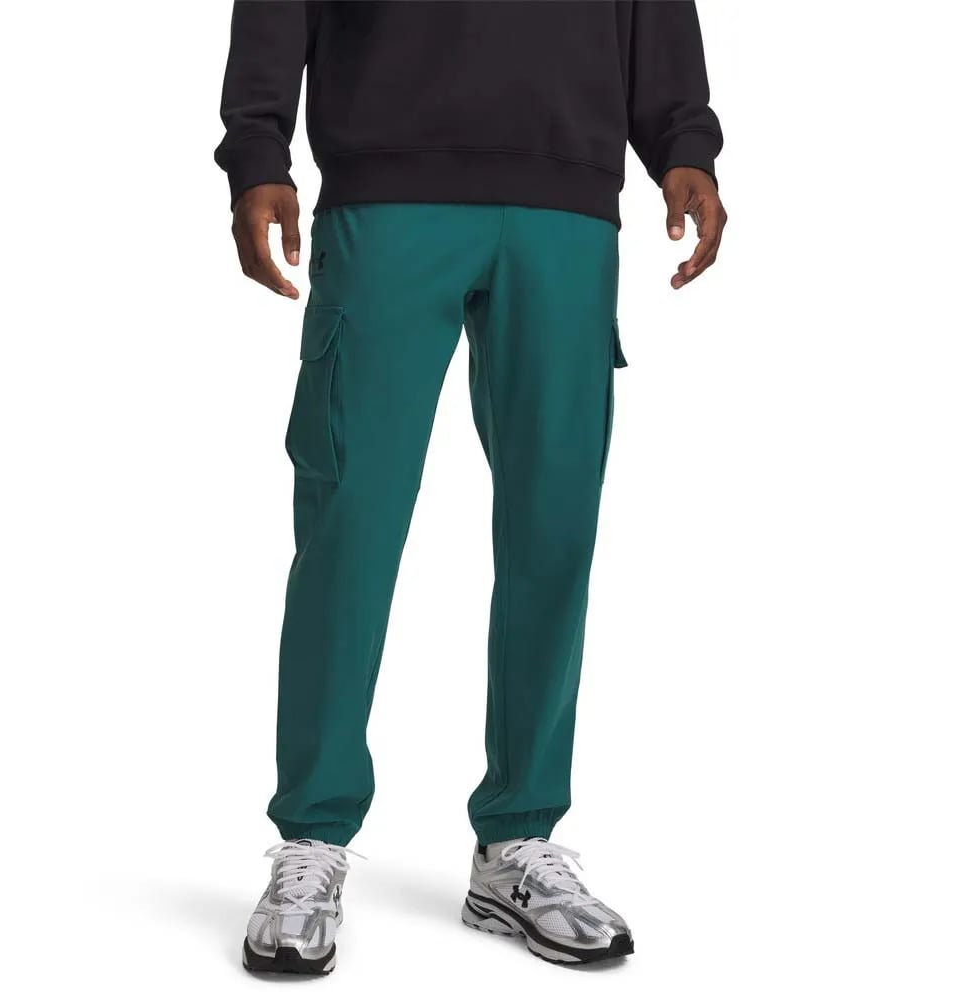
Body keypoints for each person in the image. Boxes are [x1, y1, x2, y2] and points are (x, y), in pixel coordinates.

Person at [216, 0, 725, 974]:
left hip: (566, 206)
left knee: (554, 522)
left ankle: (517, 839)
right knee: (352, 519)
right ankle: (313, 835)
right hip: (388, 189)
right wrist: (258, 150)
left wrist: (681, 138)